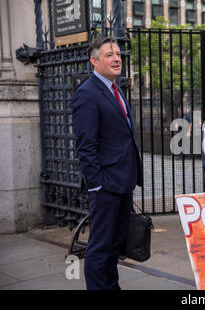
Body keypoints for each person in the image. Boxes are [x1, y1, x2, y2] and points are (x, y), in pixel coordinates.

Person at [71, 37, 143, 290]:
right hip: (105, 186)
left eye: (118, 54)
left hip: (123, 181)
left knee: (115, 245)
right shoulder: (87, 93)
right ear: (94, 61)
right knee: (100, 247)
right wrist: (96, 186)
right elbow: (86, 146)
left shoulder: (116, 88)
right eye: (109, 55)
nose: (116, 59)